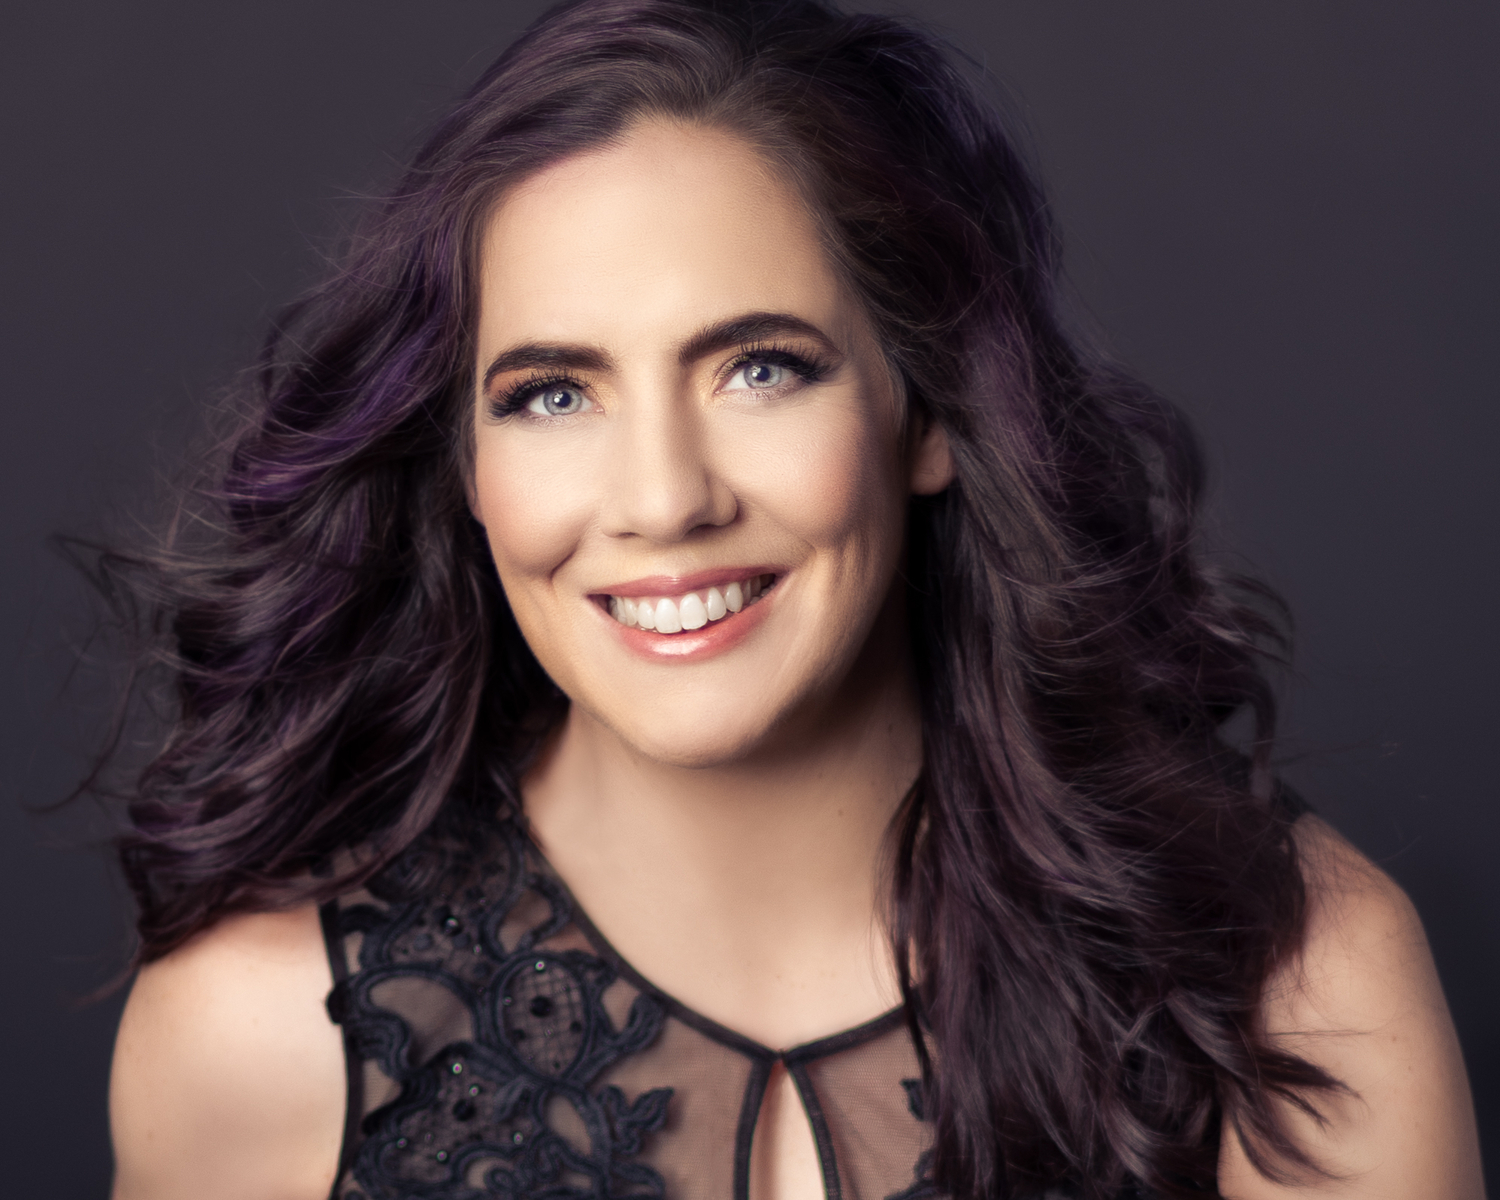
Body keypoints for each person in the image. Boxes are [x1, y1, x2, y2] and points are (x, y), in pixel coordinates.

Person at [103, 1, 1484, 1197]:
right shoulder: (253, 1040)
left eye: (760, 369)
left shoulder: (1296, 988)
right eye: (553, 394)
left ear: (927, 413)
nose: (663, 499)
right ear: (464, 465)